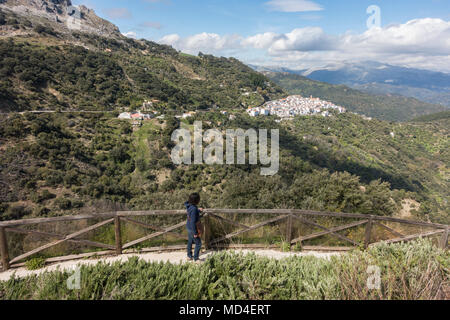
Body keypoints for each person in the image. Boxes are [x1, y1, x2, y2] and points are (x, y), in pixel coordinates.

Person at [185, 193, 203, 262]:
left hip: (188, 227)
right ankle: (196, 258)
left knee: (190, 242)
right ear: (196, 200)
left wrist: (198, 210)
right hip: (193, 228)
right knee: (198, 243)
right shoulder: (194, 209)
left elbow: (191, 212)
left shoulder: (188, 206)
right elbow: (193, 222)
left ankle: (189, 256)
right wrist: (195, 233)